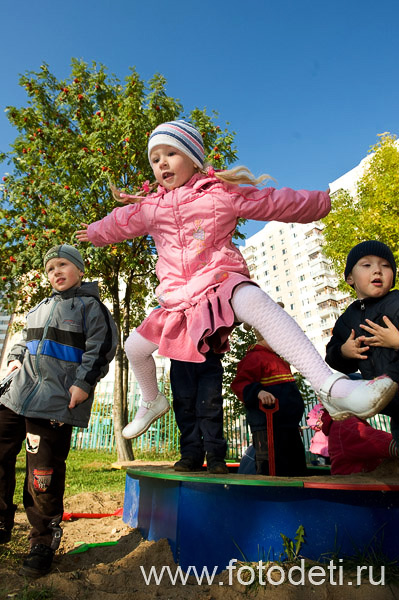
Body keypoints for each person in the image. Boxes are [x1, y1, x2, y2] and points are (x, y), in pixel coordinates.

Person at [75, 120, 397, 440]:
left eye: (170, 153)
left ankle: (331, 386)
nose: (161, 163)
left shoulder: (219, 194)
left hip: (219, 282)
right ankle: (152, 400)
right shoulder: (150, 209)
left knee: (255, 301)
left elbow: (270, 201)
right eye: (155, 159)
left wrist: (318, 203)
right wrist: (93, 232)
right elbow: (120, 221)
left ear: (193, 158)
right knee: (134, 347)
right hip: (177, 300)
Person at [0, 245, 117, 577]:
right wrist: (14, 358)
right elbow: (24, 340)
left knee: (43, 473)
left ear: (79, 269)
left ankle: (42, 540)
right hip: (16, 394)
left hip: (55, 401)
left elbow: (103, 346)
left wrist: (83, 384)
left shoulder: (91, 307)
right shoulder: (39, 307)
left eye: (63, 264)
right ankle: (1, 520)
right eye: (50, 268)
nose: (56, 272)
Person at [325, 240, 399, 441]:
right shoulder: (348, 319)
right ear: (350, 277)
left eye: (385, 266)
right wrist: (343, 352)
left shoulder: (396, 303)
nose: (377, 271)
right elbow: (331, 357)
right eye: (367, 265)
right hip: (392, 405)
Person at [231, 327, 307, 476]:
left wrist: (292, 420)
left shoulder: (280, 360)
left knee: (295, 464)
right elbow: (239, 384)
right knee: (272, 464)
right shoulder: (254, 358)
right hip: (268, 425)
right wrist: (258, 392)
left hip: (287, 426)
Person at [170, 350, 229, 474]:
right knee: (184, 404)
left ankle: (215, 456)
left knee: (210, 404)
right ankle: (191, 454)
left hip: (209, 352)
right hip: (180, 353)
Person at [321, 410, 399, 475]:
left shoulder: (343, 420)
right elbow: (370, 438)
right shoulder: (344, 423)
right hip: (353, 485)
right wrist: (396, 444)